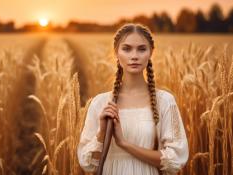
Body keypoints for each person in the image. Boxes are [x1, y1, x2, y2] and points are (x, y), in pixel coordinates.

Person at [77, 23, 189, 175]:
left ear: (151, 52)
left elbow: (175, 160)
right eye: (127, 49)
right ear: (116, 52)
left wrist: (124, 144)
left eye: (142, 49)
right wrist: (102, 132)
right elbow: (88, 164)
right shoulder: (100, 103)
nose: (134, 56)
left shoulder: (165, 101)